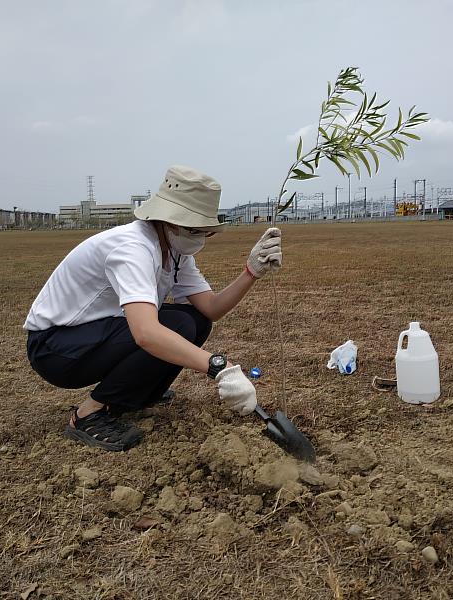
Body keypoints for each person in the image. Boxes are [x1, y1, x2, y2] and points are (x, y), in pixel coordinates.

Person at [24, 165, 282, 452]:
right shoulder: (132, 248)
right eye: (195, 230)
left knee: (195, 320)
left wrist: (251, 272)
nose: (200, 238)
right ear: (168, 221)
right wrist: (220, 368)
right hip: (55, 348)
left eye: (205, 232)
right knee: (176, 326)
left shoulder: (174, 251)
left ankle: (143, 393)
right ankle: (89, 415)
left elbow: (210, 309)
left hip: (95, 335)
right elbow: (145, 333)